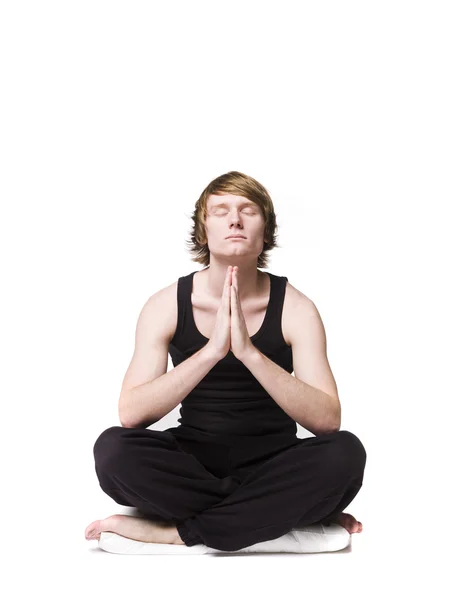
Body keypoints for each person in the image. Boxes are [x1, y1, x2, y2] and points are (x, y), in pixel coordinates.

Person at [85, 171, 367, 551]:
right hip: (195, 463)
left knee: (345, 454)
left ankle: (180, 533)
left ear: (265, 232)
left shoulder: (296, 308)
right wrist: (212, 351)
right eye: (221, 211)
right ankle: (274, 515)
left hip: (274, 462)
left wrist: (249, 353)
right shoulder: (165, 305)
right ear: (204, 232)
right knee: (113, 450)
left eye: (247, 210)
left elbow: (327, 421)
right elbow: (132, 414)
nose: (235, 219)